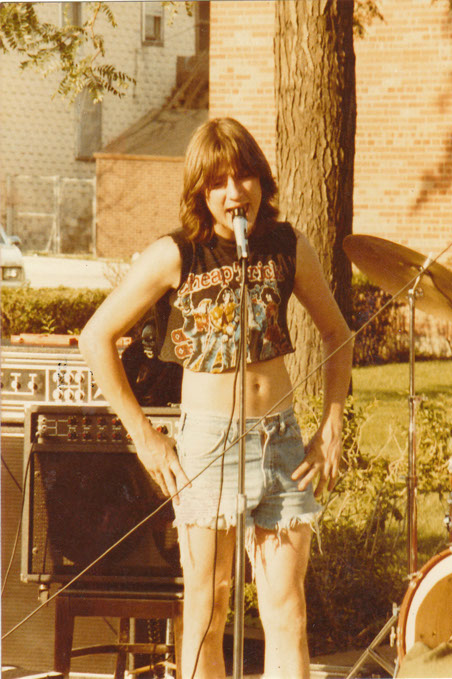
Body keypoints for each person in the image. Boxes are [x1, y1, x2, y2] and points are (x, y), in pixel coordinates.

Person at [79, 117, 352, 679]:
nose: (234, 192)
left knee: (287, 612)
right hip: (209, 446)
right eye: (219, 181)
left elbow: (337, 334)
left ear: (261, 181)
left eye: (244, 176)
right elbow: (95, 337)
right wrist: (145, 437)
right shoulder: (176, 254)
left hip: (280, 443)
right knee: (209, 605)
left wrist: (332, 426)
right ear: (200, 192)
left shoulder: (286, 246)